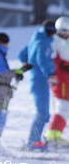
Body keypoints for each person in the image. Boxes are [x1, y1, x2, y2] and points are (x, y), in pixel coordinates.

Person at [19, 19, 57, 151]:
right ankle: (33, 142)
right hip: (40, 80)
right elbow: (42, 60)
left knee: (43, 112)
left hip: (36, 79)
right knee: (43, 113)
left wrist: (28, 63)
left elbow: (22, 54)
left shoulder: (36, 38)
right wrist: (50, 74)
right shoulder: (44, 42)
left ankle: (34, 140)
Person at [46, 16, 69, 147]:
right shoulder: (54, 41)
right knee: (63, 107)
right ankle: (53, 135)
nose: (65, 34)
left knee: (66, 108)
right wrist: (62, 66)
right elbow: (52, 60)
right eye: (63, 31)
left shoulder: (65, 41)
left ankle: (56, 134)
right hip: (61, 80)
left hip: (67, 79)